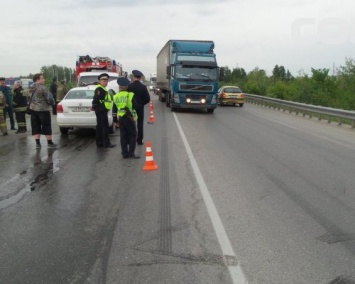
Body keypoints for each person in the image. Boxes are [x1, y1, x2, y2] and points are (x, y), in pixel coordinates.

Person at [113, 77, 140, 159]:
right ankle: (131, 153)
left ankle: (124, 153)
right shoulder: (130, 95)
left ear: (119, 87)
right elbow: (136, 107)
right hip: (129, 117)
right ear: (127, 87)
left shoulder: (116, 96)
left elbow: (114, 109)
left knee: (123, 135)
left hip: (121, 118)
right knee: (133, 135)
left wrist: (115, 120)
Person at [29, 73, 57, 148]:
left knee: (35, 126)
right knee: (46, 125)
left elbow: (28, 98)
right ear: (38, 79)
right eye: (42, 78)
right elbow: (50, 98)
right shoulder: (43, 88)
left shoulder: (30, 88)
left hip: (33, 109)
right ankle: (50, 143)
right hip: (43, 109)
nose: (44, 79)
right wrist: (53, 104)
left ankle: (37, 144)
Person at [92, 73, 115, 148]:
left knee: (100, 127)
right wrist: (95, 106)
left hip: (102, 109)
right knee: (104, 127)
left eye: (106, 80)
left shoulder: (103, 88)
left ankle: (100, 143)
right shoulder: (99, 89)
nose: (105, 82)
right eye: (103, 80)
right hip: (101, 109)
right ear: (99, 81)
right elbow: (96, 99)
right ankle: (106, 143)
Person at [127, 70, 150, 145]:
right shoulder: (143, 87)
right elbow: (147, 99)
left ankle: (131, 139)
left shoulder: (129, 86)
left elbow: (127, 97)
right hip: (140, 108)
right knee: (140, 124)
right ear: (140, 78)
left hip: (132, 108)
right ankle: (139, 140)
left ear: (133, 77)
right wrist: (141, 104)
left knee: (131, 123)